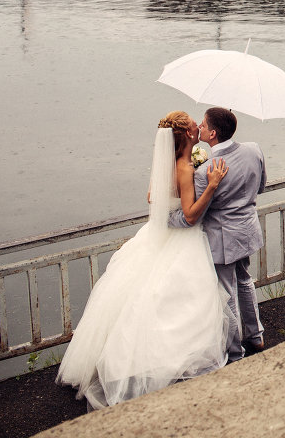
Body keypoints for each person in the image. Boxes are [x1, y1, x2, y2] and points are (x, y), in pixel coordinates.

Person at [56, 112, 231, 409]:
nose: (197, 126)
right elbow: (189, 216)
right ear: (188, 135)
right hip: (183, 241)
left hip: (155, 236)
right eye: (193, 124)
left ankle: (123, 356)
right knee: (182, 297)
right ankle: (171, 357)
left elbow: (153, 196)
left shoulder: (168, 164)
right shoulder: (185, 167)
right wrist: (212, 185)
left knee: (142, 294)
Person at [169, 106, 267, 362]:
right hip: (248, 230)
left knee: (226, 295)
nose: (199, 127)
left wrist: (167, 220)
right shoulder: (254, 149)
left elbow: (193, 216)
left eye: (202, 124)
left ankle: (235, 352)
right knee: (245, 281)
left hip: (223, 239)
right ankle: (256, 335)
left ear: (212, 134)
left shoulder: (206, 172)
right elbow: (261, 187)